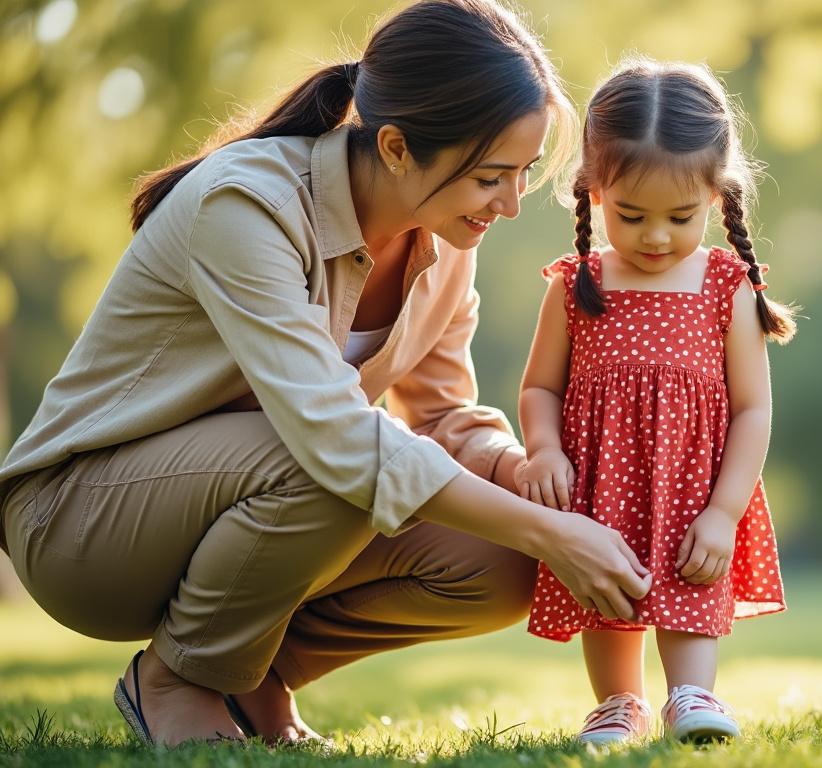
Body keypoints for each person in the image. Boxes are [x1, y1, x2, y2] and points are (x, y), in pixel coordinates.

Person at [0, 0, 652, 748]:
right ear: (400, 147)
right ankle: (179, 682)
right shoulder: (249, 202)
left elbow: (440, 418)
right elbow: (336, 436)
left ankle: (255, 677)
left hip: (259, 494)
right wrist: (549, 532)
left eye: (523, 175)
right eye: (490, 178)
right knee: (345, 464)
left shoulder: (445, 241)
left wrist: (534, 481)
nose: (508, 205)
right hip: (82, 524)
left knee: (504, 561)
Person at [513, 59, 795, 745]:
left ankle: (693, 695)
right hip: (601, 476)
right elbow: (539, 387)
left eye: (681, 215)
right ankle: (618, 703)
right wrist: (544, 447)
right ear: (594, 190)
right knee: (608, 589)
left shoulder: (725, 286)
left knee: (687, 579)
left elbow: (753, 408)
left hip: (696, 484)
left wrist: (725, 511)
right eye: (632, 215)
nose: (658, 237)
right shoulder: (575, 284)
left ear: (716, 196)